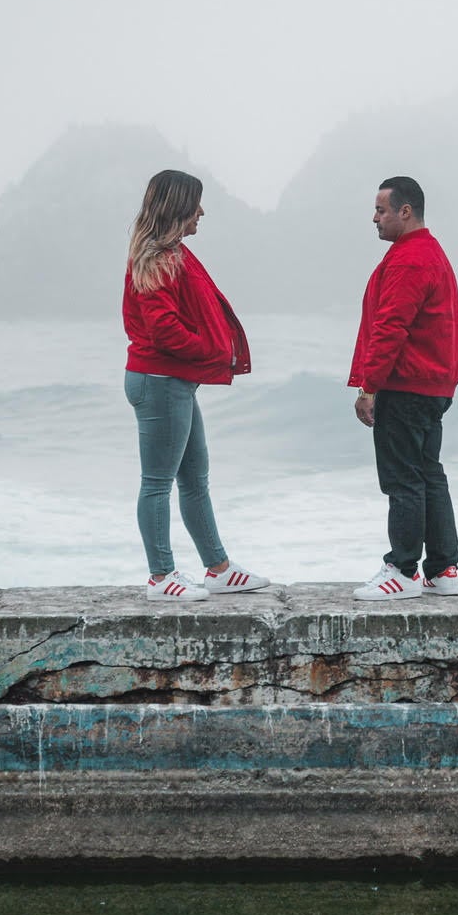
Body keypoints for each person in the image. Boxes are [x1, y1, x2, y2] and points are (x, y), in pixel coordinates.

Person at [123, 169, 269, 603]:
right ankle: (161, 576)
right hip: (160, 381)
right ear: (179, 207)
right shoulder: (156, 258)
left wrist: (210, 353)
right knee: (157, 481)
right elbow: (164, 330)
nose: (202, 212)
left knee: (194, 478)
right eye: (197, 204)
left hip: (175, 382)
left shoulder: (173, 253)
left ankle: (218, 569)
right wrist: (210, 351)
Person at [347, 176, 458, 601]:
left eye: (381, 210)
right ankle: (442, 570)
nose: (374, 218)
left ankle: (402, 570)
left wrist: (368, 386)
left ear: (405, 211)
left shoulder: (409, 260)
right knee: (429, 473)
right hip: (433, 383)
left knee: (403, 479)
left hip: (407, 382)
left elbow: (390, 328)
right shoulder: (429, 252)